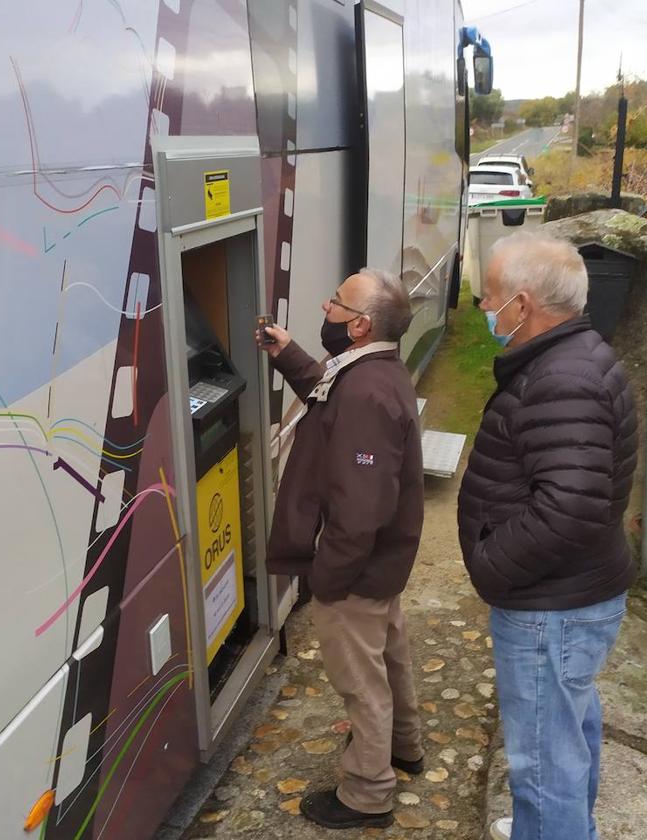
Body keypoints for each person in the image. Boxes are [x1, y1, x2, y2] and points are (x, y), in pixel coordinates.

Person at [457, 232, 638, 840]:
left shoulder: (562, 379)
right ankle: (553, 827)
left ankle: (553, 826)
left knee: (544, 761)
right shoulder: (577, 357)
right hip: (571, 596)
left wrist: (490, 565)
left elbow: (570, 509)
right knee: (569, 729)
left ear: (523, 304)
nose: (484, 309)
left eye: (488, 298)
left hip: (549, 606)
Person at [255, 267, 425, 830]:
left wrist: (329, 577)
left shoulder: (368, 396)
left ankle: (367, 794)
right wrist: (289, 354)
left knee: (361, 684)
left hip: (356, 572)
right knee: (390, 655)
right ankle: (405, 748)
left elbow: (359, 510)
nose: (326, 306)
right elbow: (331, 391)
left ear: (360, 326)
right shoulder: (372, 371)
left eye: (337, 304)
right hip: (382, 568)